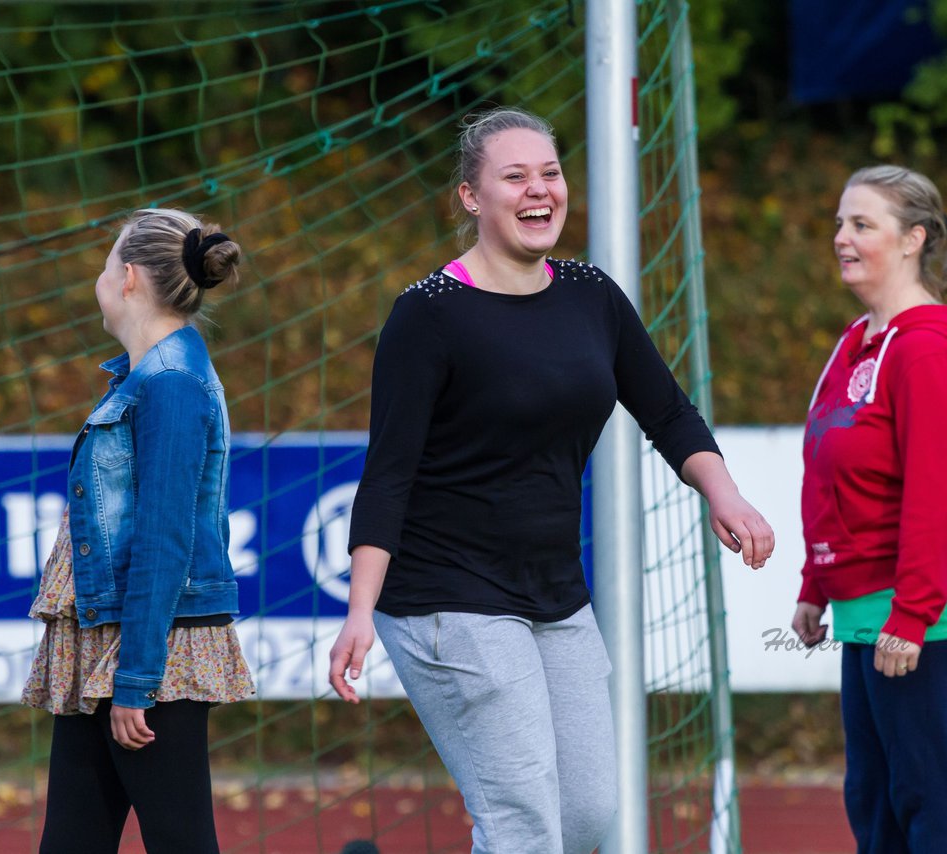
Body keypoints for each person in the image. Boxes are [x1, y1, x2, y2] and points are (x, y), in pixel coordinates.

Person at [328, 106, 775, 854]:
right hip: (447, 598)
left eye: (551, 173)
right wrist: (360, 608)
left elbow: (666, 411)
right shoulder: (428, 315)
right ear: (472, 197)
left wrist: (722, 492)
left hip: (554, 593)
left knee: (585, 819)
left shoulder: (590, 294)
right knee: (522, 826)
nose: (540, 191)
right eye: (515, 177)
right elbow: (388, 474)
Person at [22, 208, 255, 853]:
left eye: (103, 266)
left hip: (154, 652)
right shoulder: (148, 375)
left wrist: (137, 680)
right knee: (72, 841)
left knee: (181, 842)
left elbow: (164, 541)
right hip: (109, 639)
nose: (96, 279)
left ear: (127, 278)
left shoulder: (173, 382)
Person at [792, 165, 947, 853]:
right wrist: (814, 585)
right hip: (865, 607)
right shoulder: (858, 339)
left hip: (930, 611)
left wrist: (912, 616)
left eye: (862, 224)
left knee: (928, 804)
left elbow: (935, 496)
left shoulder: (926, 350)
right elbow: (830, 475)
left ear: (914, 239)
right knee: (876, 804)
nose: (841, 238)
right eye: (838, 224)